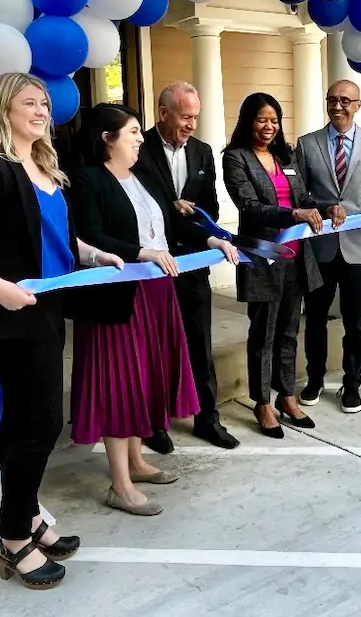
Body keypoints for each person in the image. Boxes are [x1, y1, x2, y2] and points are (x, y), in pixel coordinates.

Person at [0, 72, 124, 590]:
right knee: (42, 423)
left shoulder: (46, 166)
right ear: (4, 108)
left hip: (47, 309)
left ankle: (28, 520)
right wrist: (0, 288)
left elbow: (58, 239)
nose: (43, 110)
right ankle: (13, 539)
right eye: (30, 102)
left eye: (45, 103)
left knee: (26, 423)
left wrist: (93, 253)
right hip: (11, 315)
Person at [67, 103, 240, 516]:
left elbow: (172, 226)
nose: (140, 138)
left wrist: (212, 240)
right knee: (117, 384)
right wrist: (140, 252)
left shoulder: (144, 176)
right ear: (107, 139)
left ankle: (138, 462)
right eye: (131, 133)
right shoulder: (88, 180)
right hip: (117, 295)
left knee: (142, 380)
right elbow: (90, 236)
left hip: (156, 292)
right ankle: (120, 484)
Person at [133, 81, 239, 452]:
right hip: (152, 268)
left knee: (200, 344)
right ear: (163, 113)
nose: (192, 124)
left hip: (193, 265)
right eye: (185, 116)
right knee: (157, 348)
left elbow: (207, 207)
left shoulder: (202, 152)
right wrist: (169, 208)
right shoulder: (136, 148)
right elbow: (131, 207)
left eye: (196, 116)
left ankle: (207, 419)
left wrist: (211, 233)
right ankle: (155, 423)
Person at [223, 92, 337, 438]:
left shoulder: (285, 156)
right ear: (248, 121)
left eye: (274, 120)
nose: (269, 126)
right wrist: (293, 214)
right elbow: (250, 206)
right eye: (262, 119)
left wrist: (327, 207)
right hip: (262, 258)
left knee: (289, 331)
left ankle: (287, 395)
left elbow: (303, 199)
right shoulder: (236, 158)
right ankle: (262, 402)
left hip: (296, 259)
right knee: (264, 334)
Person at [295, 79, 361, 414]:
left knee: (356, 322)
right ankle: (314, 379)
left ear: (357, 105)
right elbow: (301, 193)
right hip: (320, 248)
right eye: (332, 100)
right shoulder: (307, 144)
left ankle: (352, 384)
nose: (337, 106)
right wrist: (322, 208)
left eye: (344, 100)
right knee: (316, 320)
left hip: (359, 248)